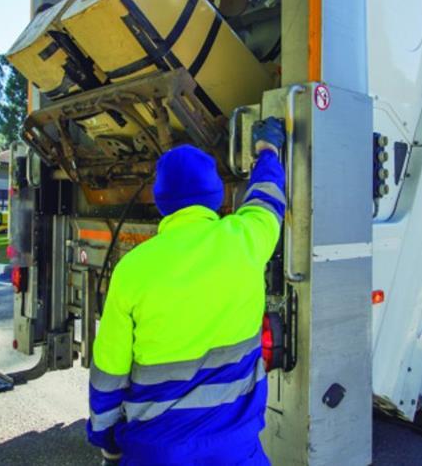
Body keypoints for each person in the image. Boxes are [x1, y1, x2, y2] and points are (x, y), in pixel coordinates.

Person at [86, 118, 287, 465]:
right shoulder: (245, 240)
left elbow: (108, 374)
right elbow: (268, 197)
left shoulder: (132, 270)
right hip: (236, 450)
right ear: (215, 194)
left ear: (162, 201)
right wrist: (267, 151)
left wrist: (107, 441)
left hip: (156, 452)